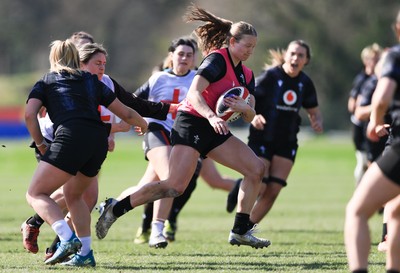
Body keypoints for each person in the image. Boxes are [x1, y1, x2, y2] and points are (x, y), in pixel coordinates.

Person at [95, 4, 271, 249]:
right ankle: (117, 207)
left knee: (256, 169)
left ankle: (241, 230)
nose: (251, 51)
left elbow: (251, 115)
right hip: (192, 122)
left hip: (214, 129)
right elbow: (194, 93)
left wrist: (244, 107)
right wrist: (211, 116)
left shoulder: (248, 75)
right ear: (232, 41)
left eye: (254, 47)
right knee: (174, 186)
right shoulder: (217, 60)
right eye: (247, 45)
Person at [21, 34, 172, 261]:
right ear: (76, 59)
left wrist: (41, 144)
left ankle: (65, 237)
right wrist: (142, 124)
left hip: (70, 138)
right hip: (98, 140)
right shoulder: (92, 81)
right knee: (76, 197)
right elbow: (127, 111)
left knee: (35, 193)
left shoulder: (46, 81)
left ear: (54, 59)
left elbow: (29, 114)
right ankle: (85, 254)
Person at [241, 40, 323, 229]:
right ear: (286, 55)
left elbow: (314, 110)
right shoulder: (270, 77)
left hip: (287, 141)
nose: (295, 58)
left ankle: (245, 229)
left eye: (300, 55)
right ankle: (239, 192)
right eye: (293, 53)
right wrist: (253, 116)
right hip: (262, 136)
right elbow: (248, 98)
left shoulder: (305, 83)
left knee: (274, 190)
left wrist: (317, 120)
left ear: (306, 60)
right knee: (260, 185)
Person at [344, 9, 400, 273]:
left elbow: (382, 98)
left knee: (357, 211)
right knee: (396, 210)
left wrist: (376, 122)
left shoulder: (394, 56)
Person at [349, 44, 382, 186]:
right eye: (370, 59)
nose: (373, 62)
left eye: (376, 59)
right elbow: (353, 107)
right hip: (363, 126)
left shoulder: (382, 79)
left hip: (379, 125)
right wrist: (379, 107)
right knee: (365, 162)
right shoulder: (363, 80)